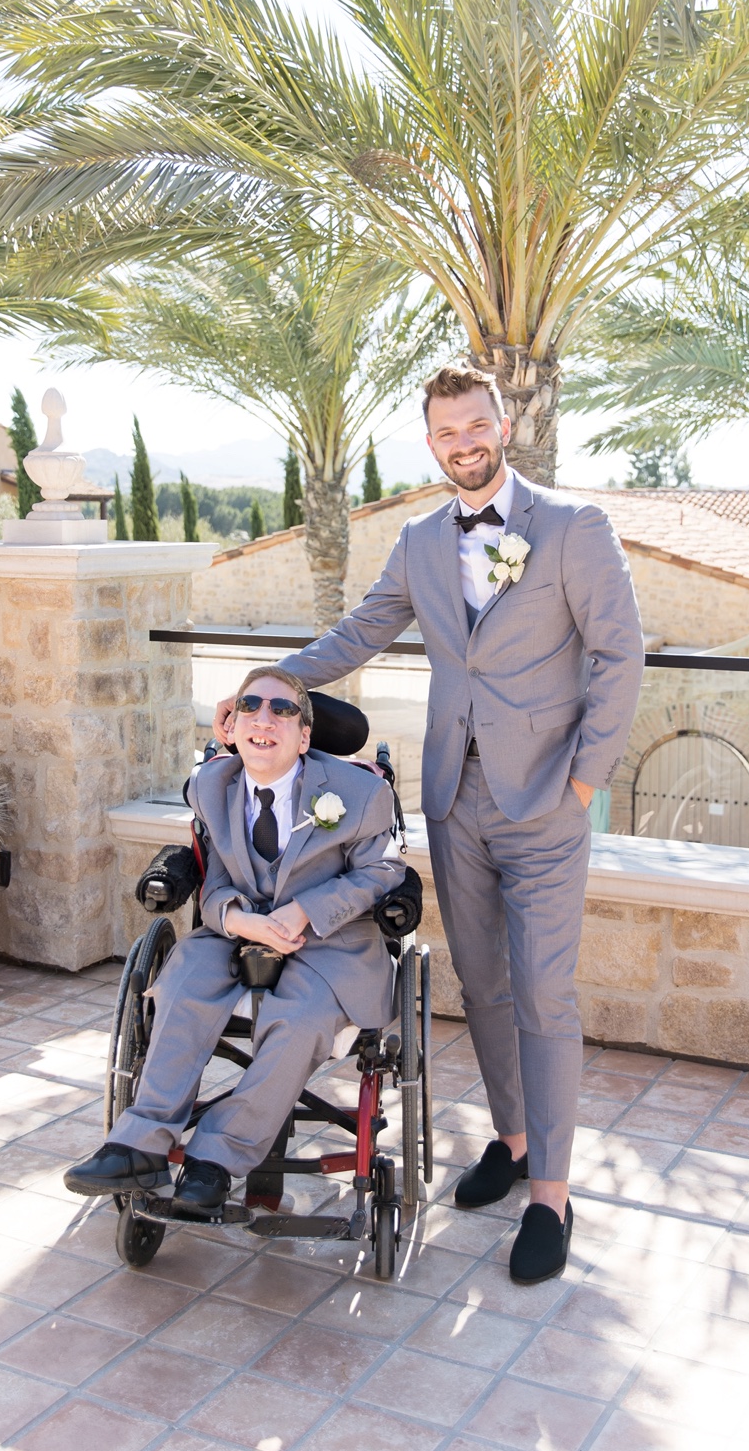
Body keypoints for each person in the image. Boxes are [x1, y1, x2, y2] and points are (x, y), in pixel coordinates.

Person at [214, 367, 644, 1282]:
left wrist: (584, 784)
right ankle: (515, 1138)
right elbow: (358, 633)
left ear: (505, 422)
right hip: (455, 798)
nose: (466, 442)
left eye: (478, 424)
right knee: (483, 984)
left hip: (547, 803)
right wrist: (265, 693)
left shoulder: (572, 530)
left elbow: (619, 655)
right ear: (433, 442)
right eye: (448, 431)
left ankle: (551, 1198)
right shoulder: (416, 541)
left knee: (545, 995)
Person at [65, 666, 402, 1217]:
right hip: (237, 933)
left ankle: (216, 1159)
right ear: (234, 724)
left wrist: (305, 912)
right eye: (250, 706)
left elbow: (383, 873)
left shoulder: (360, 793)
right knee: (181, 985)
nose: (264, 719)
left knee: (299, 1019)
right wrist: (237, 919)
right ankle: (139, 1146)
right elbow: (215, 875)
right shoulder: (211, 786)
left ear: (305, 736)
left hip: (328, 944)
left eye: (283, 709)